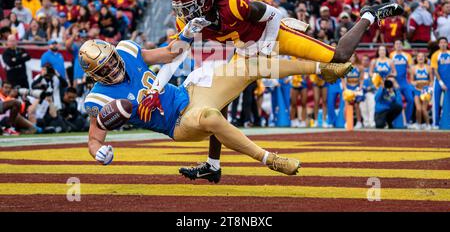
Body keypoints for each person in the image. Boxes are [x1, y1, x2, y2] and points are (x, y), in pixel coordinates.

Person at [172, 0, 403, 181]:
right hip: (246, 53)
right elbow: (175, 50)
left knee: (340, 56)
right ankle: (213, 165)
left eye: (191, 6)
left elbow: (272, 13)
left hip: (275, 35)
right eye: (184, 7)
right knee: (218, 100)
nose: (186, 13)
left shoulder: (233, 3)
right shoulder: (190, 22)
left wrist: (266, 46)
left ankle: (369, 16)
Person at [81, 36, 351, 178]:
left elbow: (168, 54)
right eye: (106, 68)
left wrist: (186, 34)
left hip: (188, 92)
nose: (115, 67)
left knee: (251, 65)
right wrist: (99, 152)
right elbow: (94, 138)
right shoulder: (99, 98)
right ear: (96, 75)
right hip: (179, 124)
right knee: (210, 118)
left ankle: (323, 69)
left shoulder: (128, 52)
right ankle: (270, 160)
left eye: (113, 60)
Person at [390, 40, 414, 124]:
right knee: (395, 101)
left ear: (402, 46)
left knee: (410, 100)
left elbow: (412, 69)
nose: (398, 45)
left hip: (404, 82)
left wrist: (411, 80)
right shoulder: (391, 55)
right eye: (396, 44)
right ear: (394, 46)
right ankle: (394, 121)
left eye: (400, 44)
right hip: (394, 82)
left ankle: (407, 120)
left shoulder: (407, 55)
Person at [410, 52, 433, 130]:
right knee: (418, 109)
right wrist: (417, 82)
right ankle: (419, 124)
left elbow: (431, 81)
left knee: (424, 109)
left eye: (422, 56)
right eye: (419, 56)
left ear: (425, 58)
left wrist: (429, 89)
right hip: (417, 90)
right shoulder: (413, 68)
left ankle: (428, 124)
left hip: (425, 90)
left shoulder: (428, 67)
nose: (420, 58)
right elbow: (411, 81)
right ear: (416, 58)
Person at [431, 37, 450, 129]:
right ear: (438, 44)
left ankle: (446, 123)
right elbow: (435, 70)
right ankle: (435, 124)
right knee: (436, 103)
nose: (443, 44)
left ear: (447, 44)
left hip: (449, 81)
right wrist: (441, 82)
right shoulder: (435, 55)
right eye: (441, 42)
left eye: (444, 42)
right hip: (438, 81)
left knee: (448, 103)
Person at [342, 54, 364, 129]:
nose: (352, 58)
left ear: (356, 58)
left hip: (356, 87)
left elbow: (361, 79)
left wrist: (360, 87)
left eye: (353, 57)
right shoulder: (345, 67)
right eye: (350, 56)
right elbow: (343, 80)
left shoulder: (360, 67)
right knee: (347, 105)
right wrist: (345, 89)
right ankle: (347, 122)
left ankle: (359, 122)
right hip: (348, 87)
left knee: (357, 105)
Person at [360, 55, 376, 128]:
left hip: (370, 92)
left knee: (371, 107)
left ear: (369, 61)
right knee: (363, 108)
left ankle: (371, 122)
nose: (365, 61)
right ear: (361, 61)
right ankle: (365, 123)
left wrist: (372, 87)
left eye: (366, 60)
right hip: (361, 92)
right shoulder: (359, 70)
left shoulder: (372, 70)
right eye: (363, 60)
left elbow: (376, 82)